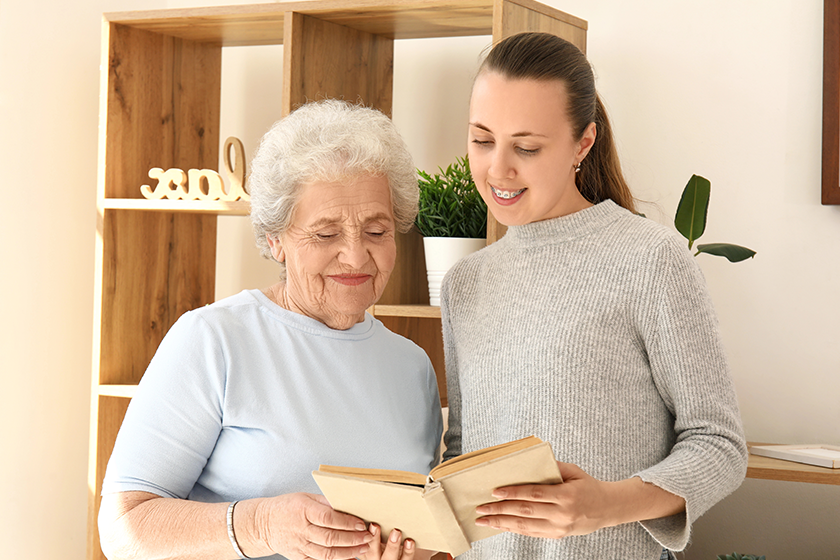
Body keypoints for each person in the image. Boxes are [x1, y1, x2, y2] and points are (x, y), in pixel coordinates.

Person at [440, 32, 748, 560]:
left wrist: (607, 504)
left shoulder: (649, 260)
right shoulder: (465, 283)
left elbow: (719, 444)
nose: (497, 169)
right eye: (481, 139)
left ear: (582, 144)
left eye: (527, 147)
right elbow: (463, 451)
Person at [98, 100, 442, 560]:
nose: (357, 256)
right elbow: (124, 528)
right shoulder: (213, 340)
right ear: (276, 239)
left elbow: (424, 535)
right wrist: (260, 526)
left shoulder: (411, 366)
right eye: (326, 234)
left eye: (376, 231)